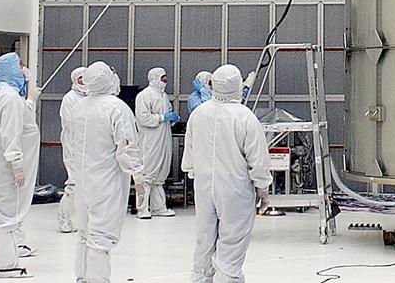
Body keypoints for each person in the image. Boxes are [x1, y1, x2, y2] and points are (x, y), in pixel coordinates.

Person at [181, 64, 270, 283]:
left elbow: (189, 151)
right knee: (232, 240)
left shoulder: (199, 114)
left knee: (205, 238)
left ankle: (201, 278)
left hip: (203, 186)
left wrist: (196, 174)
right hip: (235, 189)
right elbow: (257, 159)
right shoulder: (245, 117)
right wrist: (263, 189)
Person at [69, 62, 143, 283]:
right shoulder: (116, 108)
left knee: (84, 231)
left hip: (83, 178)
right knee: (101, 234)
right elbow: (127, 148)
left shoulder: (79, 107)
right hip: (106, 180)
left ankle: (82, 277)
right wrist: (138, 175)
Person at [0, 52, 41, 277]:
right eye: (20, 66)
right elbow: (10, 132)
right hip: (3, 167)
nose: (23, 71)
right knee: (7, 216)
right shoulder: (8, 97)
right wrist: (16, 164)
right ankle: (7, 265)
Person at [133, 67, 178, 219]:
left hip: (163, 138)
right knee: (147, 173)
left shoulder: (163, 95)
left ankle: (158, 207)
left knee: (159, 175)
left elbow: (168, 111)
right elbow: (143, 117)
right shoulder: (144, 95)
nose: (165, 80)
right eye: (162, 77)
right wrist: (161, 118)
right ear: (154, 77)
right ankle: (143, 208)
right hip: (150, 140)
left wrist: (170, 119)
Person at [57, 66, 89, 233]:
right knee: (74, 182)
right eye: (81, 78)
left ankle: (79, 219)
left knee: (84, 184)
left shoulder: (89, 97)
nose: (84, 82)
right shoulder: (69, 98)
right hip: (73, 145)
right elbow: (71, 123)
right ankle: (64, 218)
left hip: (87, 145)